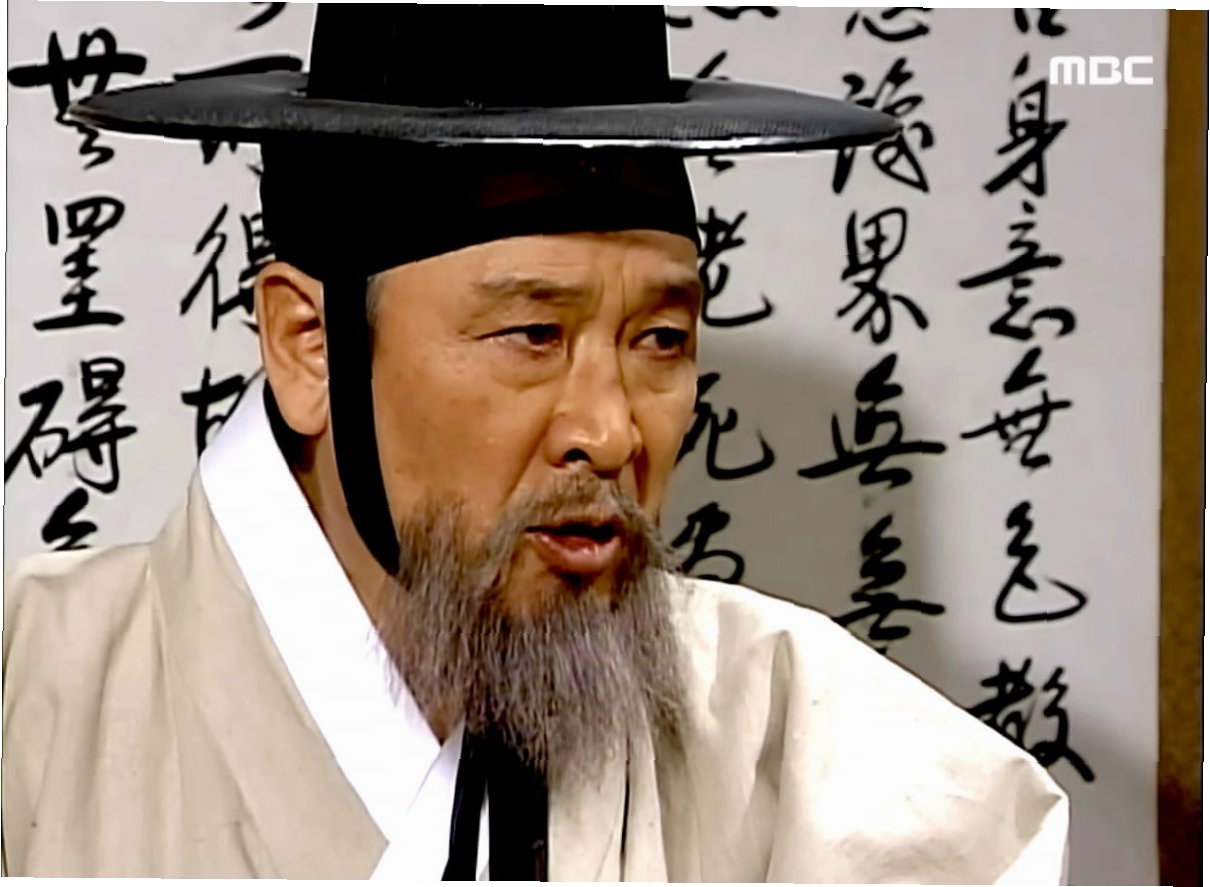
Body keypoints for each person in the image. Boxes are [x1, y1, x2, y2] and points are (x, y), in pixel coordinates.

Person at [2, 4, 1068, 881]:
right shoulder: (31, 699)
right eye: (532, 334)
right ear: (308, 344)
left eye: (661, 339)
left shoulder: (808, 755)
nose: (610, 430)